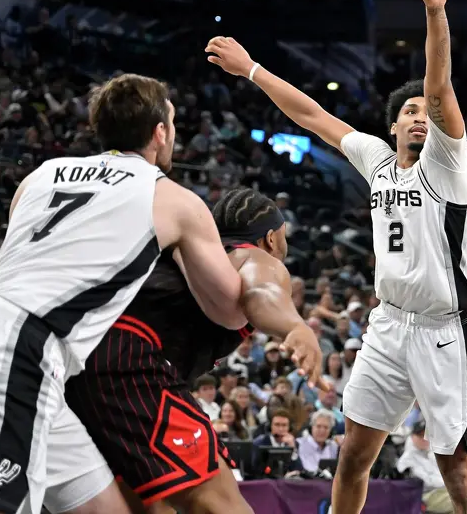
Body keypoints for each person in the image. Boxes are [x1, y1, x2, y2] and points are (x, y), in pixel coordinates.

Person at [206, 0, 467, 514]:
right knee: (354, 455)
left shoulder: (447, 161)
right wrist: (252, 69)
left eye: (422, 113)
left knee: (456, 467)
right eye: (405, 112)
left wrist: (435, 10)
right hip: (388, 324)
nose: (417, 115)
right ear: (391, 127)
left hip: (443, 331)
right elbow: (311, 114)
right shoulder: (378, 159)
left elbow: (438, 89)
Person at [0, 73, 247, 514]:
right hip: (18, 346)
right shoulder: (172, 198)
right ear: (160, 132)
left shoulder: (40, 176)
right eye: (173, 124)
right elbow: (231, 310)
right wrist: (251, 262)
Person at [65, 185, 323, 514]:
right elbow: (261, 290)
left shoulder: (184, 251)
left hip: (74, 356)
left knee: (150, 505)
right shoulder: (248, 253)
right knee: (219, 501)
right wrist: (294, 326)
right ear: (271, 238)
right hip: (127, 357)